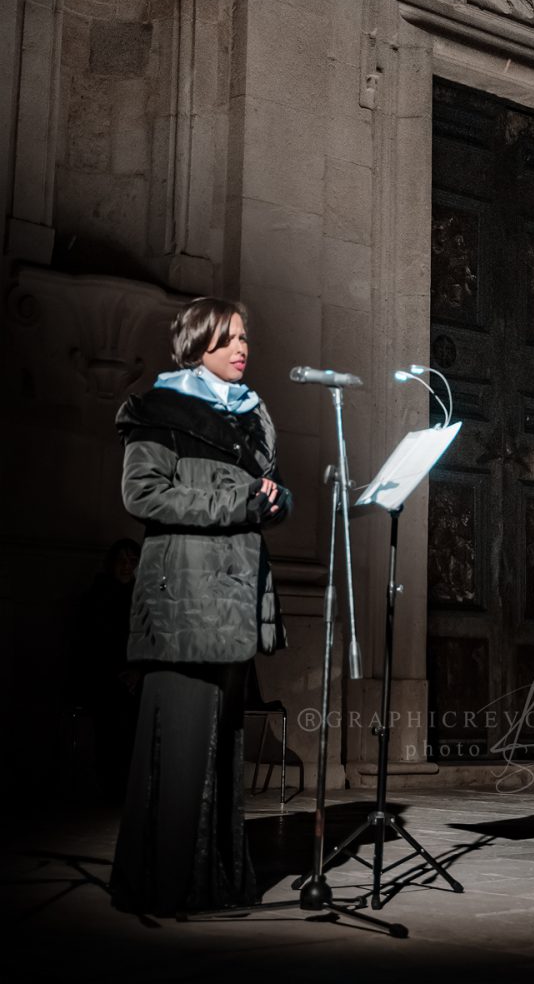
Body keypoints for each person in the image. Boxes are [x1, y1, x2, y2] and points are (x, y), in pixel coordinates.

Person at [109, 298, 291, 915]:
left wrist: (274, 499)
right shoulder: (158, 408)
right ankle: (164, 885)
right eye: (228, 339)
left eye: (245, 336)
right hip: (183, 602)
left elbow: (261, 491)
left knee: (221, 751)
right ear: (197, 346)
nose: (243, 348)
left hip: (236, 600)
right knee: (183, 751)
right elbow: (143, 494)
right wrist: (238, 504)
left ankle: (214, 881)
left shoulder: (252, 417)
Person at [74, 537, 142, 801]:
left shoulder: (138, 597)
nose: (127, 567)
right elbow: (94, 643)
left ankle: (127, 784)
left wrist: (136, 671)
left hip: (131, 675)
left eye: (132, 562)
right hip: (103, 675)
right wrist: (121, 671)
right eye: (122, 561)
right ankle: (114, 786)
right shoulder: (98, 596)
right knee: (114, 718)